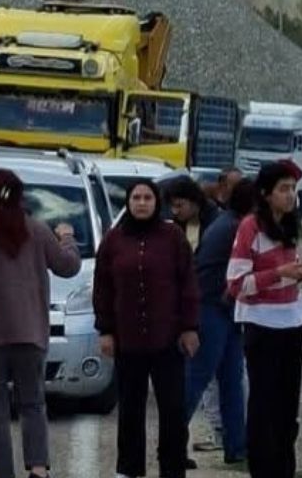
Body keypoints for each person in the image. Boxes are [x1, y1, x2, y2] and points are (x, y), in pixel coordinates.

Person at [0, 169, 81, 478]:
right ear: (20, 195)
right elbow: (68, 266)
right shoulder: (37, 230)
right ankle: (37, 468)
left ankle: (3, 473)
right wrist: (68, 237)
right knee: (33, 403)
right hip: (30, 332)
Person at [94, 180, 199, 478]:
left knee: (172, 410)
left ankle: (173, 469)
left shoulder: (173, 237)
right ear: (128, 202)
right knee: (130, 410)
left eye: (148, 197)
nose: (142, 203)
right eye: (136, 198)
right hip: (127, 340)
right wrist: (105, 330)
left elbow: (188, 284)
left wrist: (190, 327)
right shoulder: (113, 240)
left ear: (157, 202)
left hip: (167, 339)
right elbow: (102, 288)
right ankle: (128, 469)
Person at [226, 162, 302, 478]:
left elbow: (284, 273)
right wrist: (278, 273)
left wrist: (297, 274)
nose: (290, 196)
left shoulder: (289, 223)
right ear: (266, 194)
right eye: (283, 189)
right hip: (262, 323)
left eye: (293, 188)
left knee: (288, 407)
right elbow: (236, 283)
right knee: (264, 405)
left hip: (291, 319)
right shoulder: (250, 226)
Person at [185, 178, 255, 466]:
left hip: (224, 309)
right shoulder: (237, 227)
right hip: (212, 307)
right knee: (198, 378)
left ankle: (236, 446)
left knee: (230, 380)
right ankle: (172, 444)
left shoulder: (228, 222)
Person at [163, 176, 223, 464]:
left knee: (193, 381)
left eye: (180, 205)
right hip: (177, 310)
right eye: (172, 206)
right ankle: (174, 446)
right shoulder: (175, 227)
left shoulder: (215, 224)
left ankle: (176, 444)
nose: (176, 211)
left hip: (204, 308)